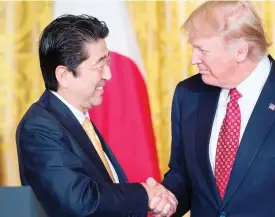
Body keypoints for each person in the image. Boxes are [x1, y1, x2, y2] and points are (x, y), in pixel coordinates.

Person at [147, 1, 275, 216]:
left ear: (240, 52)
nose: (194, 59)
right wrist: (167, 200)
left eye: (202, 50)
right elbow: (183, 175)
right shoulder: (189, 94)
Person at [16, 14, 177, 217]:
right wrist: (145, 194)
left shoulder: (77, 120)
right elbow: (79, 201)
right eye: (99, 66)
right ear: (64, 76)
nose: (108, 74)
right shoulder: (39, 127)